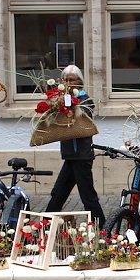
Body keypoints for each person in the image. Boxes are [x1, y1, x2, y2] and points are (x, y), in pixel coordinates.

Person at [43, 65, 106, 225]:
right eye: (65, 79)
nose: (68, 82)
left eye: (71, 80)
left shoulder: (85, 100)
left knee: (87, 196)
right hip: (70, 154)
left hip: (82, 155)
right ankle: (45, 227)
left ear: (79, 82)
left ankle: (102, 229)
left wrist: (68, 103)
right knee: (58, 193)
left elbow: (82, 117)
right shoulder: (62, 99)